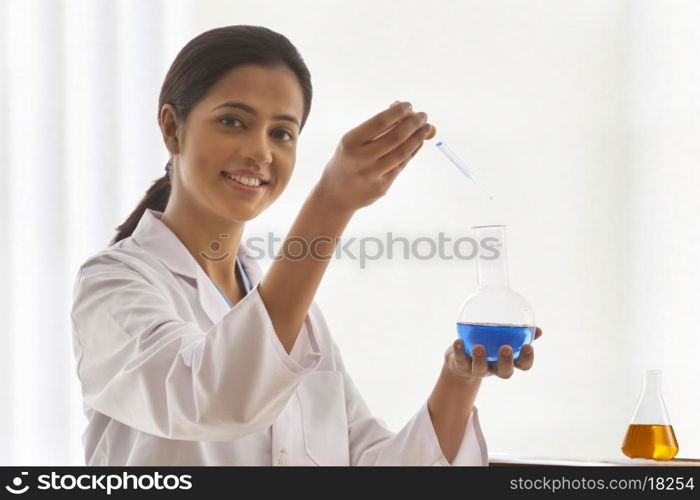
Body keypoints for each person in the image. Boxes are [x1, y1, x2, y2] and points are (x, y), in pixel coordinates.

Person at [70, 25, 542, 466]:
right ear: (173, 128)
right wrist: (331, 204)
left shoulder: (294, 313)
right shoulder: (113, 287)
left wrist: (460, 379)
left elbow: (372, 468)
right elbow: (215, 399)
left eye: (282, 133)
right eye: (234, 121)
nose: (260, 151)